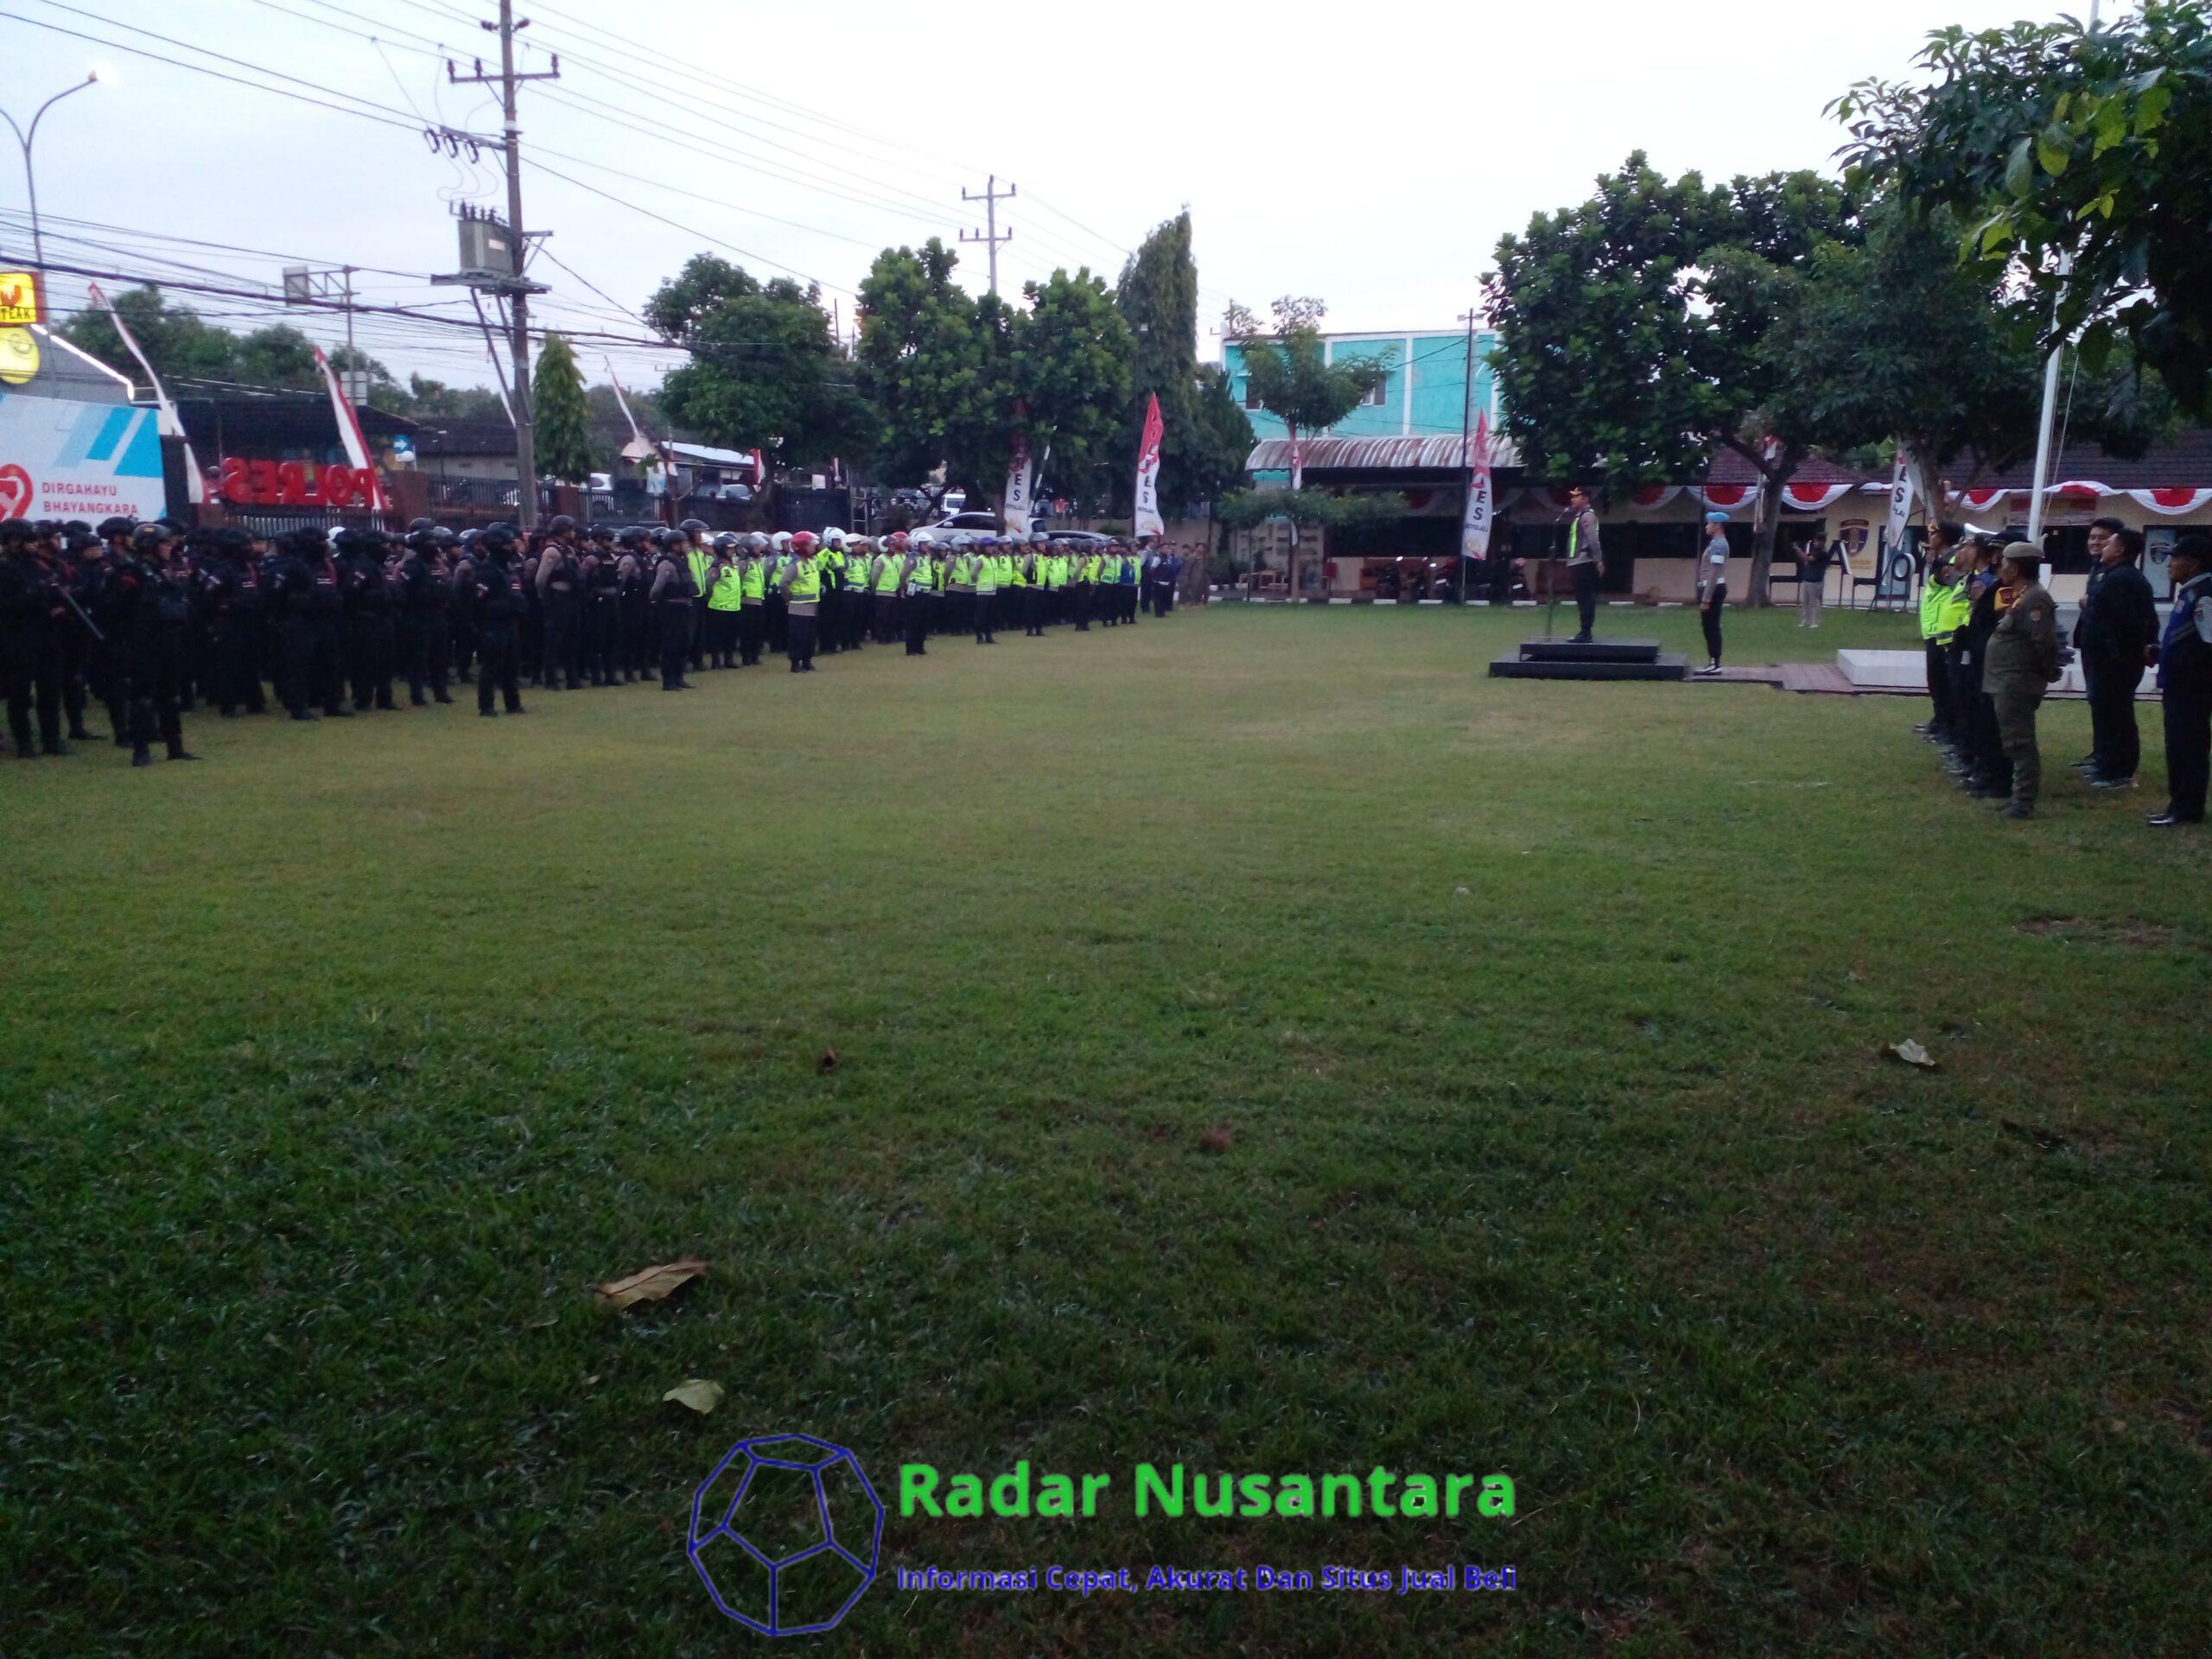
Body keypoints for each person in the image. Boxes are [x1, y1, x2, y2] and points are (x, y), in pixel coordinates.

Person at [2072, 520, 2159, 790]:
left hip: (2115, 660)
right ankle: (2106, 762)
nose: (2102, 546)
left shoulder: (2121, 579)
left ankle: (2118, 770)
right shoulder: (2111, 575)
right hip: (2106, 657)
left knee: (2117, 714)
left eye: (2108, 542)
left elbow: (2128, 622)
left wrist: (2122, 653)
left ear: (2119, 550)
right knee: (2107, 711)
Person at [1980, 542, 2062, 820]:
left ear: (2015, 567)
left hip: (2016, 683)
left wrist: (2046, 673)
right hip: (2004, 680)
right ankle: (2018, 797)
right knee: (2012, 741)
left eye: (2003, 561)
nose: (1999, 566)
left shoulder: (2035, 599)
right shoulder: (2020, 595)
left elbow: (2044, 643)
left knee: (2020, 743)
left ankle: (2023, 802)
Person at [2149, 533, 2212, 827]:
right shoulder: (2190, 591)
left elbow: (2208, 644)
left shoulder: (2205, 594)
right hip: (2178, 684)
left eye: (2176, 558)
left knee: (2189, 747)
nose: (2169, 564)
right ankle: (2178, 804)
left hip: (2192, 687)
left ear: (2194, 563)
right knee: (2178, 746)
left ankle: (2187, 810)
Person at [0, 518, 71, 758]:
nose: (33, 545)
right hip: (19, 637)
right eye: (28, 541)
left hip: (47, 634)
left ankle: (52, 740)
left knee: (50, 690)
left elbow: (56, 591)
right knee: (20, 692)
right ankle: (24, 743)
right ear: (14, 542)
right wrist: (34, 594)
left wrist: (57, 600)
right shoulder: (5, 568)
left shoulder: (40, 566)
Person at [1915, 524, 1968, 745]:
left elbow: (1950, 584)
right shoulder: (1941, 557)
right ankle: (1939, 721)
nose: (1930, 536)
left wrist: (1937, 565)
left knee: (1943, 682)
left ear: (1944, 536)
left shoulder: (1954, 559)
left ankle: (1948, 728)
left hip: (1944, 631)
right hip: (1933, 627)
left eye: (1934, 533)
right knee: (1935, 681)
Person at [339, 529, 398, 712]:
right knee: (366, 662)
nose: (387, 549)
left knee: (385, 662)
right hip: (367, 621)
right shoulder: (362, 567)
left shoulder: (379, 567)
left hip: (384, 620)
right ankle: (363, 699)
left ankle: (385, 699)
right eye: (383, 546)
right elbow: (350, 594)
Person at [472, 523, 527, 716]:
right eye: (508, 544)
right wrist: (506, 605)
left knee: (512, 665)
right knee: (491, 666)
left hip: (511, 623)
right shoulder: (486, 571)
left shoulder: (508, 568)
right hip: (493, 625)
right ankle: (486, 707)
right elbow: (477, 601)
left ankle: (513, 703)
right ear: (498, 546)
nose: (512, 548)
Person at [396, 524, 455, 707]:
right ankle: (417, 695)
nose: (434, 545)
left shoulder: (438, 564)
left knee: (440, 656)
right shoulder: (412, 566)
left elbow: (447, 585)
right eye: (429, 542)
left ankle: (441, 692)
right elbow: (402, 590)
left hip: (438, 615)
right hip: (418, 616)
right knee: (418, 658)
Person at [535, 519, 582, 690]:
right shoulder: (551, 551)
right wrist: (545, 597)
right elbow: (541, 579)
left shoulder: (569, 550)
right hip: (557, 599)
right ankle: (551, 680)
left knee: (572, 639)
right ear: (563, 531)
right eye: (571, 530)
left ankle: (572, 679)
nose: (574, 534)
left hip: (571, 598)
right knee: (554, 640)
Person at [648, 528, 698, 690]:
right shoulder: (666, 564)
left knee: (684, 644)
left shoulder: (682, 562)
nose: (686, 545)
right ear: (674, 545)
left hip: (684, 608)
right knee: (671, 645)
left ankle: (678, 677)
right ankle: (668, 680)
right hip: (671, 609)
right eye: (683, 542)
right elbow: (656, 589)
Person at [1563, 485, 1601, 642]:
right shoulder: (1579, 516)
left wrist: (1599, 561)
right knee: (1581, 598)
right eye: (1572, 496)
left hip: (1584, 562)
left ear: (1585, 498)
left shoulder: (1587, 516)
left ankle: (1586, 632)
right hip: (1576, 562)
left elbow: (1593, 539)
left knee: (1586, 597)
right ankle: (1584, 631)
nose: (1572, 499)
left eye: (1576, 496)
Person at [1694, 512, 1730, 675]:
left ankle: (1715, 662)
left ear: (1717, 526)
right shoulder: (1715, 543)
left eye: (1709, 524)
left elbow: (1715, 571)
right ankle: (1712, 660)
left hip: (1713, 588)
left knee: (1712, 625)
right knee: (1708, 625)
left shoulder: (1719, 544)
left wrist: (1706, 598)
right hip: (1711, 587)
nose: (1707, 527)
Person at [783, 530, 823, 671]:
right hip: (799, 606)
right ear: (802, 546)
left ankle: (807, 660)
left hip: (813, 605)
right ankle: (795, 663)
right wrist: (789, 600)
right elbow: (784, 583)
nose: (813, 548)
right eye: (810, 545)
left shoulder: (812, 562)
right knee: (798, 636)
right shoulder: (795, 564)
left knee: (810, 636)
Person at [1799, 538, 1833, 627]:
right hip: (1807, 579)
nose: (1815, 543)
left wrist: (1798, 550)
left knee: (1813, 602)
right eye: (1814, 541)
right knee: (1805, 602)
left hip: (1815, 581)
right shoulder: (1814, 551)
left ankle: (1814, 622)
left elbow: (1808, 558)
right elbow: (1806, 557)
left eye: (1817, 541)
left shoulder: (1823, 553)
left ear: (1822, 542)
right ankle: (1804, 621)